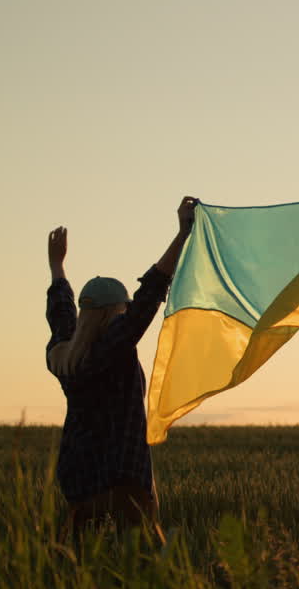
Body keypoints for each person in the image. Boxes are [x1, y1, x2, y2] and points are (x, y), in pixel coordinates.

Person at [46, 196, 198, 540]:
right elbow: (150, 294)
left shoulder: (64, 356)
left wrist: (57, 266)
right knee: (148, 561)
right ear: (115, 312)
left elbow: (60, 313)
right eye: (122, 310)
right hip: (122, 472)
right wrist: (181, 235)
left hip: (78, 476)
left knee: (81, 567)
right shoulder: (113, 348)